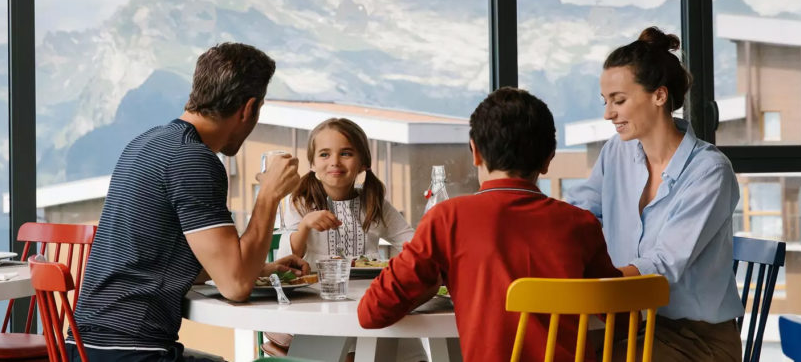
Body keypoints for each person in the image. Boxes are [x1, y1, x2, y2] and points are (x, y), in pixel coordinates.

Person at [69, 42, 310, 362]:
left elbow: (159, 261)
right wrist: (268, 196)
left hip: (84, 348)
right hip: (133, 352)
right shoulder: (193, 160)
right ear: (249, 108)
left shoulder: (146, 143)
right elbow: (236, 285)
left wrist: (261, 269)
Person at [358, 87, 621, 362]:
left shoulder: (448, 218)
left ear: (475, 152)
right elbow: (622, 316)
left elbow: (371, 313)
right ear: (548, 159)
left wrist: (429, 284)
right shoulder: (581, 224)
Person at [567, 27, 743, 361]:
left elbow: (664, 264)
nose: (608, 113)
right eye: (606, 102)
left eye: (619, 101)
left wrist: (596, 283)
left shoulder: (709, 172)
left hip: (697, 339)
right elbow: (579, 214)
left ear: (659, 96)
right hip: (634, 322)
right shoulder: (615, 154)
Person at [281, 117, 414, 264]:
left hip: (369, 286)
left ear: (364, 163)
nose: (335, 162)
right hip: (315, 286)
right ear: (312, 163)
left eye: (346, 154)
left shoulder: (374, 202)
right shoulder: (300, 201)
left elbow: (413, 245)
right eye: (324, 154)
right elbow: (288, 258)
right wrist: (305, 225)